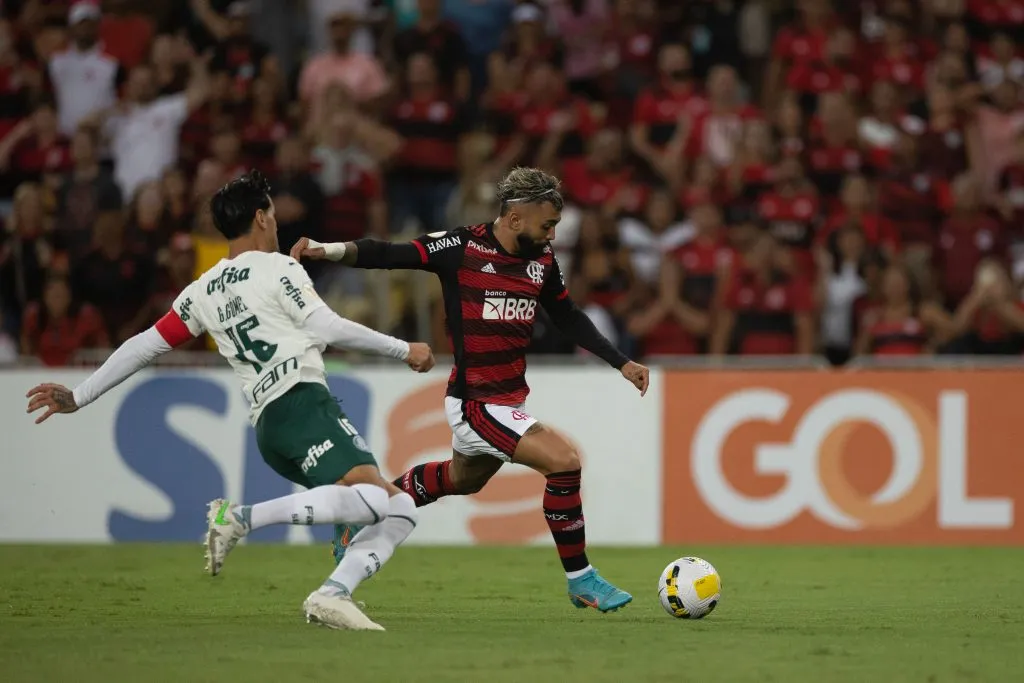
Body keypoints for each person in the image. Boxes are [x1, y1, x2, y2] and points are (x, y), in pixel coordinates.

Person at [25, 170, 435, 632]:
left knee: (398, 506)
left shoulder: (203, 290)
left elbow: (145, 344)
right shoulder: (279, 267)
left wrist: (81, 394)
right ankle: (239, 517)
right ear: (261, 217)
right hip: (300, 402)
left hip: (269, 428)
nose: (277, 224)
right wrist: (405, 349)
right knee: (370, 499)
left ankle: (333, 593)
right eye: (274, 215)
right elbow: (326, 328)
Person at [290, 166, 650, 613]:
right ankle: (582, 580)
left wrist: (623, 362)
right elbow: (390, 253)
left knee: (461, 479)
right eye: (547, 225)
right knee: (564, 462)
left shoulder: (540, 261)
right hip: (477, 402)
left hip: (509, 399)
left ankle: (362, 508)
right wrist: (327, 250)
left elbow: (568, 316)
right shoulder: (461, 247)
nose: (552, 236)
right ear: (515, 218)